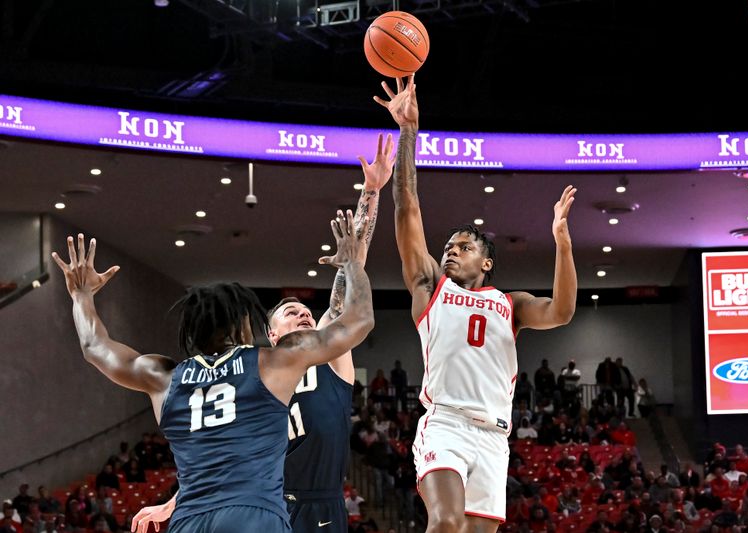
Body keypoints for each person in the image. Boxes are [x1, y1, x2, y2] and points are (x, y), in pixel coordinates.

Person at [129, 133, 394, 533]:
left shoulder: (326, 354)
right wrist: (176, 500)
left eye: (308, 312)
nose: (305, 315)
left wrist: (371, 193)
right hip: (263, 506)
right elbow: (224, 456)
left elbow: (349, 276)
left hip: (318, 507)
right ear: (270, 334)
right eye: (292, 311)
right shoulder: (253, 374)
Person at [51, 213, 374, 533]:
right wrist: (351, 265)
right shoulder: (270, 363)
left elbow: (95, 346)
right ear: (243, 326)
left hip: (190, 519)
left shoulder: (164, 377)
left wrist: (82, 296)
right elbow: (359, 320)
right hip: (254, 515)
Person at [374, 74, 577, 532]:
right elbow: (407, 207)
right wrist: (410, 132)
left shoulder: (512, 304)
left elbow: (563, 311)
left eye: (464, 246)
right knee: (445, 523)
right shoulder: (431, 286)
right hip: (444, 423)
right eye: (448, 245)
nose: (451, 250)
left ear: (487, 263)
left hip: (493, 435)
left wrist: (562, 243)